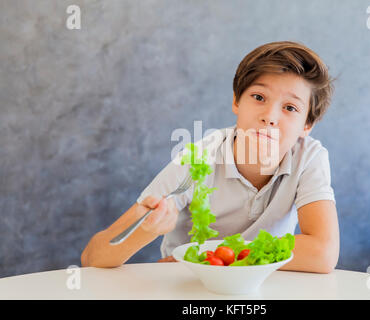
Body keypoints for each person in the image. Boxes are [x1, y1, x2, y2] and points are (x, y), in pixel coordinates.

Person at [81, 41, 340, 273]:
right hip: (191, 288)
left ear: (307, 126)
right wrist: (147, 230)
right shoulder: (195, 159)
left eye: (290, 108)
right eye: (258, 97)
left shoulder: (309, 157)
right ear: (237, 102)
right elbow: (93, 257)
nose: (270, 116)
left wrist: (212, 256)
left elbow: (323, 252)